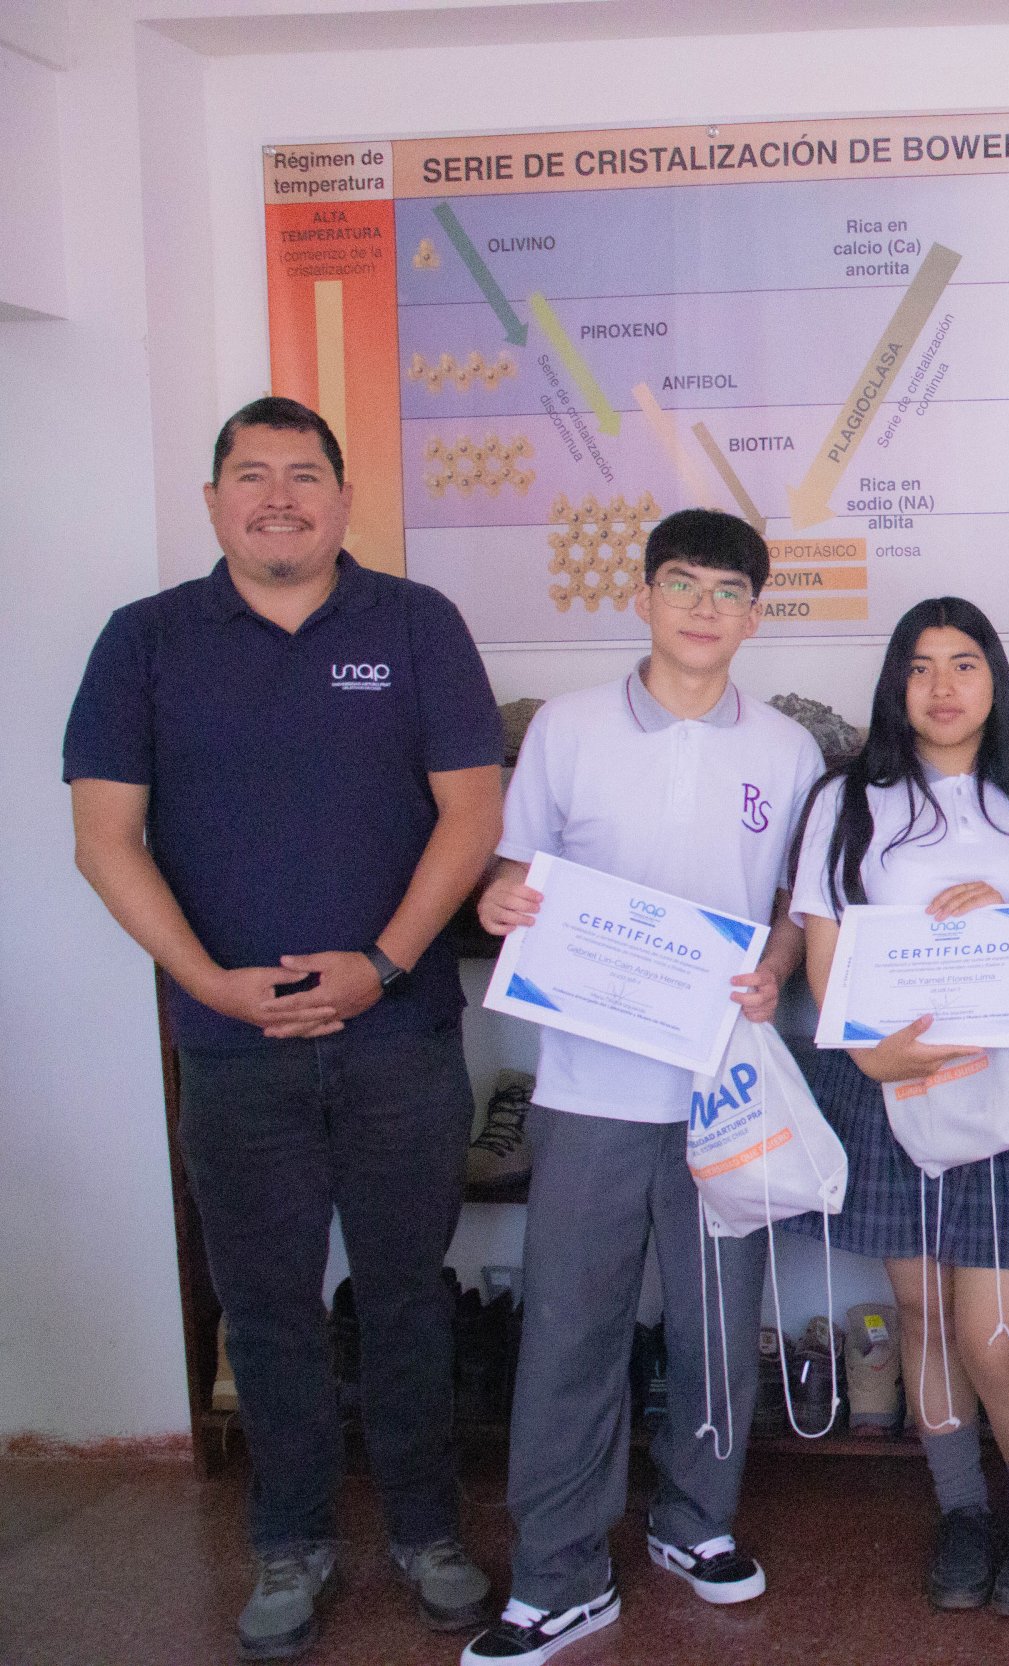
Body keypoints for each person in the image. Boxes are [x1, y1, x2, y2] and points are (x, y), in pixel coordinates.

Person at [64, 396, 505, 1660]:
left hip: (397, 1037)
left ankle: (426, 1529)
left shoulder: (416, 624)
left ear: (343, 499)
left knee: (408, 1295)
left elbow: (470, 814)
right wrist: (208, 982)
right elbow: (105, 838)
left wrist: (384, 962)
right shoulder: (144, 640)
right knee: (264, 1306)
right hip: (232, 1047)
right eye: (250, 475)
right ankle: (292, 1538)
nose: (277, 497)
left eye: (303, 474)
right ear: (213, 503)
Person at [462, 508, 821, 1666]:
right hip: (590, 1086)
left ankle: (693, 1520)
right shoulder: (565, 729)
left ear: (754, 616)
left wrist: (776, 969)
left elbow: (793, 908)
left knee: (718, 1325)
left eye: (728, 591)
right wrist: (499, 901)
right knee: (571, 1328)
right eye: (682, 583)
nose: (703, 607)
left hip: (723, 1089)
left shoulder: (788, 751)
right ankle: (560, 1571)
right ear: (643, 596)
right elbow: (516, 873)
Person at [788, 595, 1009, 1616]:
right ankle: (961, 1508)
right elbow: (825, 952)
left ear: (995, 680)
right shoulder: (847, 800)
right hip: (886, 1080)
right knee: (920, 1311)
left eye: (964, 663)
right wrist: (872, 1055)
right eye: (920, 667)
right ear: (895, 686)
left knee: (995, 1334)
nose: (943, 686)